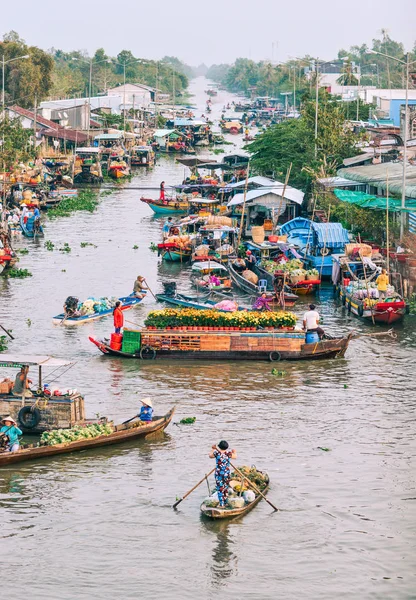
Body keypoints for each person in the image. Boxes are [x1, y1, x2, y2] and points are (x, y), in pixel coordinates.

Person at [209, 440, 237, 507]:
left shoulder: (217, 453)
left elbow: (210, 456)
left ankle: (221, 504)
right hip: (226, 473)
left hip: (218, 473)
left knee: (220, 488)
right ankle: (225, 502)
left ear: (219, 446)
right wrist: (234, 452)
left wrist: (212, 449)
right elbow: (235, 456)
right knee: (225, 488)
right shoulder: (228, 453)